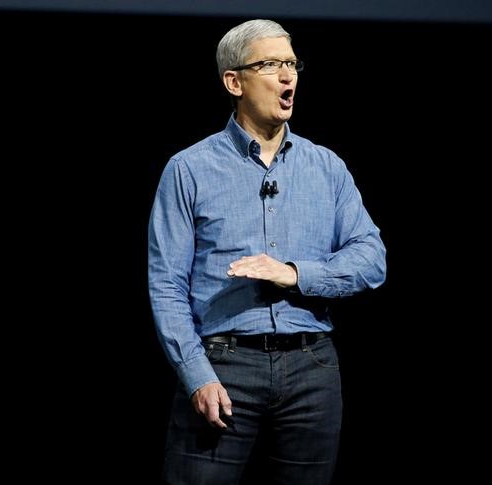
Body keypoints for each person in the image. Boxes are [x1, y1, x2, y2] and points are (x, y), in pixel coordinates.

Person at [148, 18, 386, 485]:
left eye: (292, 64)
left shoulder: (326, 166)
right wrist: (197, 374)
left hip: (312, 367)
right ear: (234, 81)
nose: (288, 76)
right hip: (224, 366)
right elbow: (166, 285)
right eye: (271, 64)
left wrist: (296, 274)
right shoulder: (189, 170)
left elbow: (371, 257)